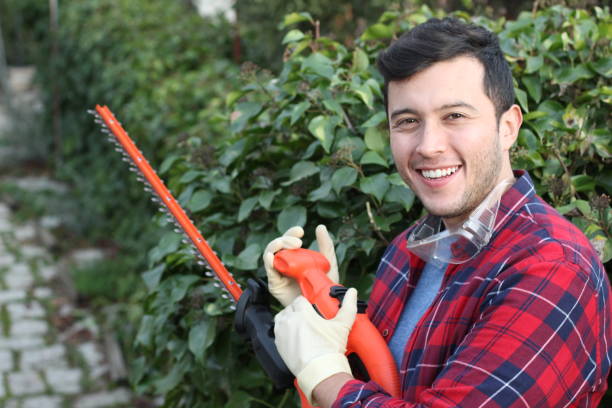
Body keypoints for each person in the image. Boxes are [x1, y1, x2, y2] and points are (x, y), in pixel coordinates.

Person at [263, 17, 612, 408]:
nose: (428, 145)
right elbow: (380, 389)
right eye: (408, 121)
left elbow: (339, 387)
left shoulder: (552, 268)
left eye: (455, 116)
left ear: (508, 126)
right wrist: (320, 309)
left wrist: (321, 374)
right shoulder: (405, 252)